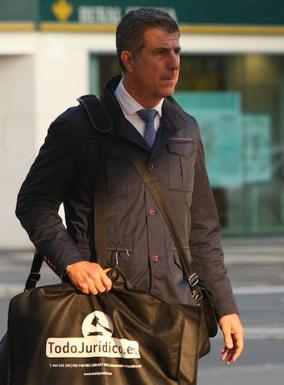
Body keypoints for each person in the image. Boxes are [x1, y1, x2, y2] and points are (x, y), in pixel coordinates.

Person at [15, 8, 243, 366]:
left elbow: (202, 230)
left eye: (177, 51)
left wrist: (226, 306)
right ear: (129, 59)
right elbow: (33, 203)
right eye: (160, 53)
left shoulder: (186, 130)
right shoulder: (78, 127)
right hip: (106, 312)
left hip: (174, 316)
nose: (174, 63)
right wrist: (72, 263)